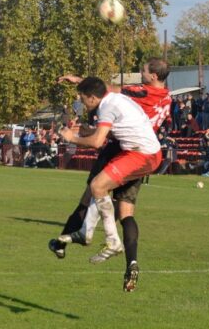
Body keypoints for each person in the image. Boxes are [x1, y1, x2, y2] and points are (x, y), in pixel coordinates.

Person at [50, 58, 171, 292]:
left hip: (127, 148)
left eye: (143, 71)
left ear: (154, 76)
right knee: (125, 211)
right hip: (145, 144)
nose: (140, 73)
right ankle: (131, 263)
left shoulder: (138, 93)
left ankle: (67, 241)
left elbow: (108, 93)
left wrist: (79, 81)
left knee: (92, 193)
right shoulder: (166, 97)